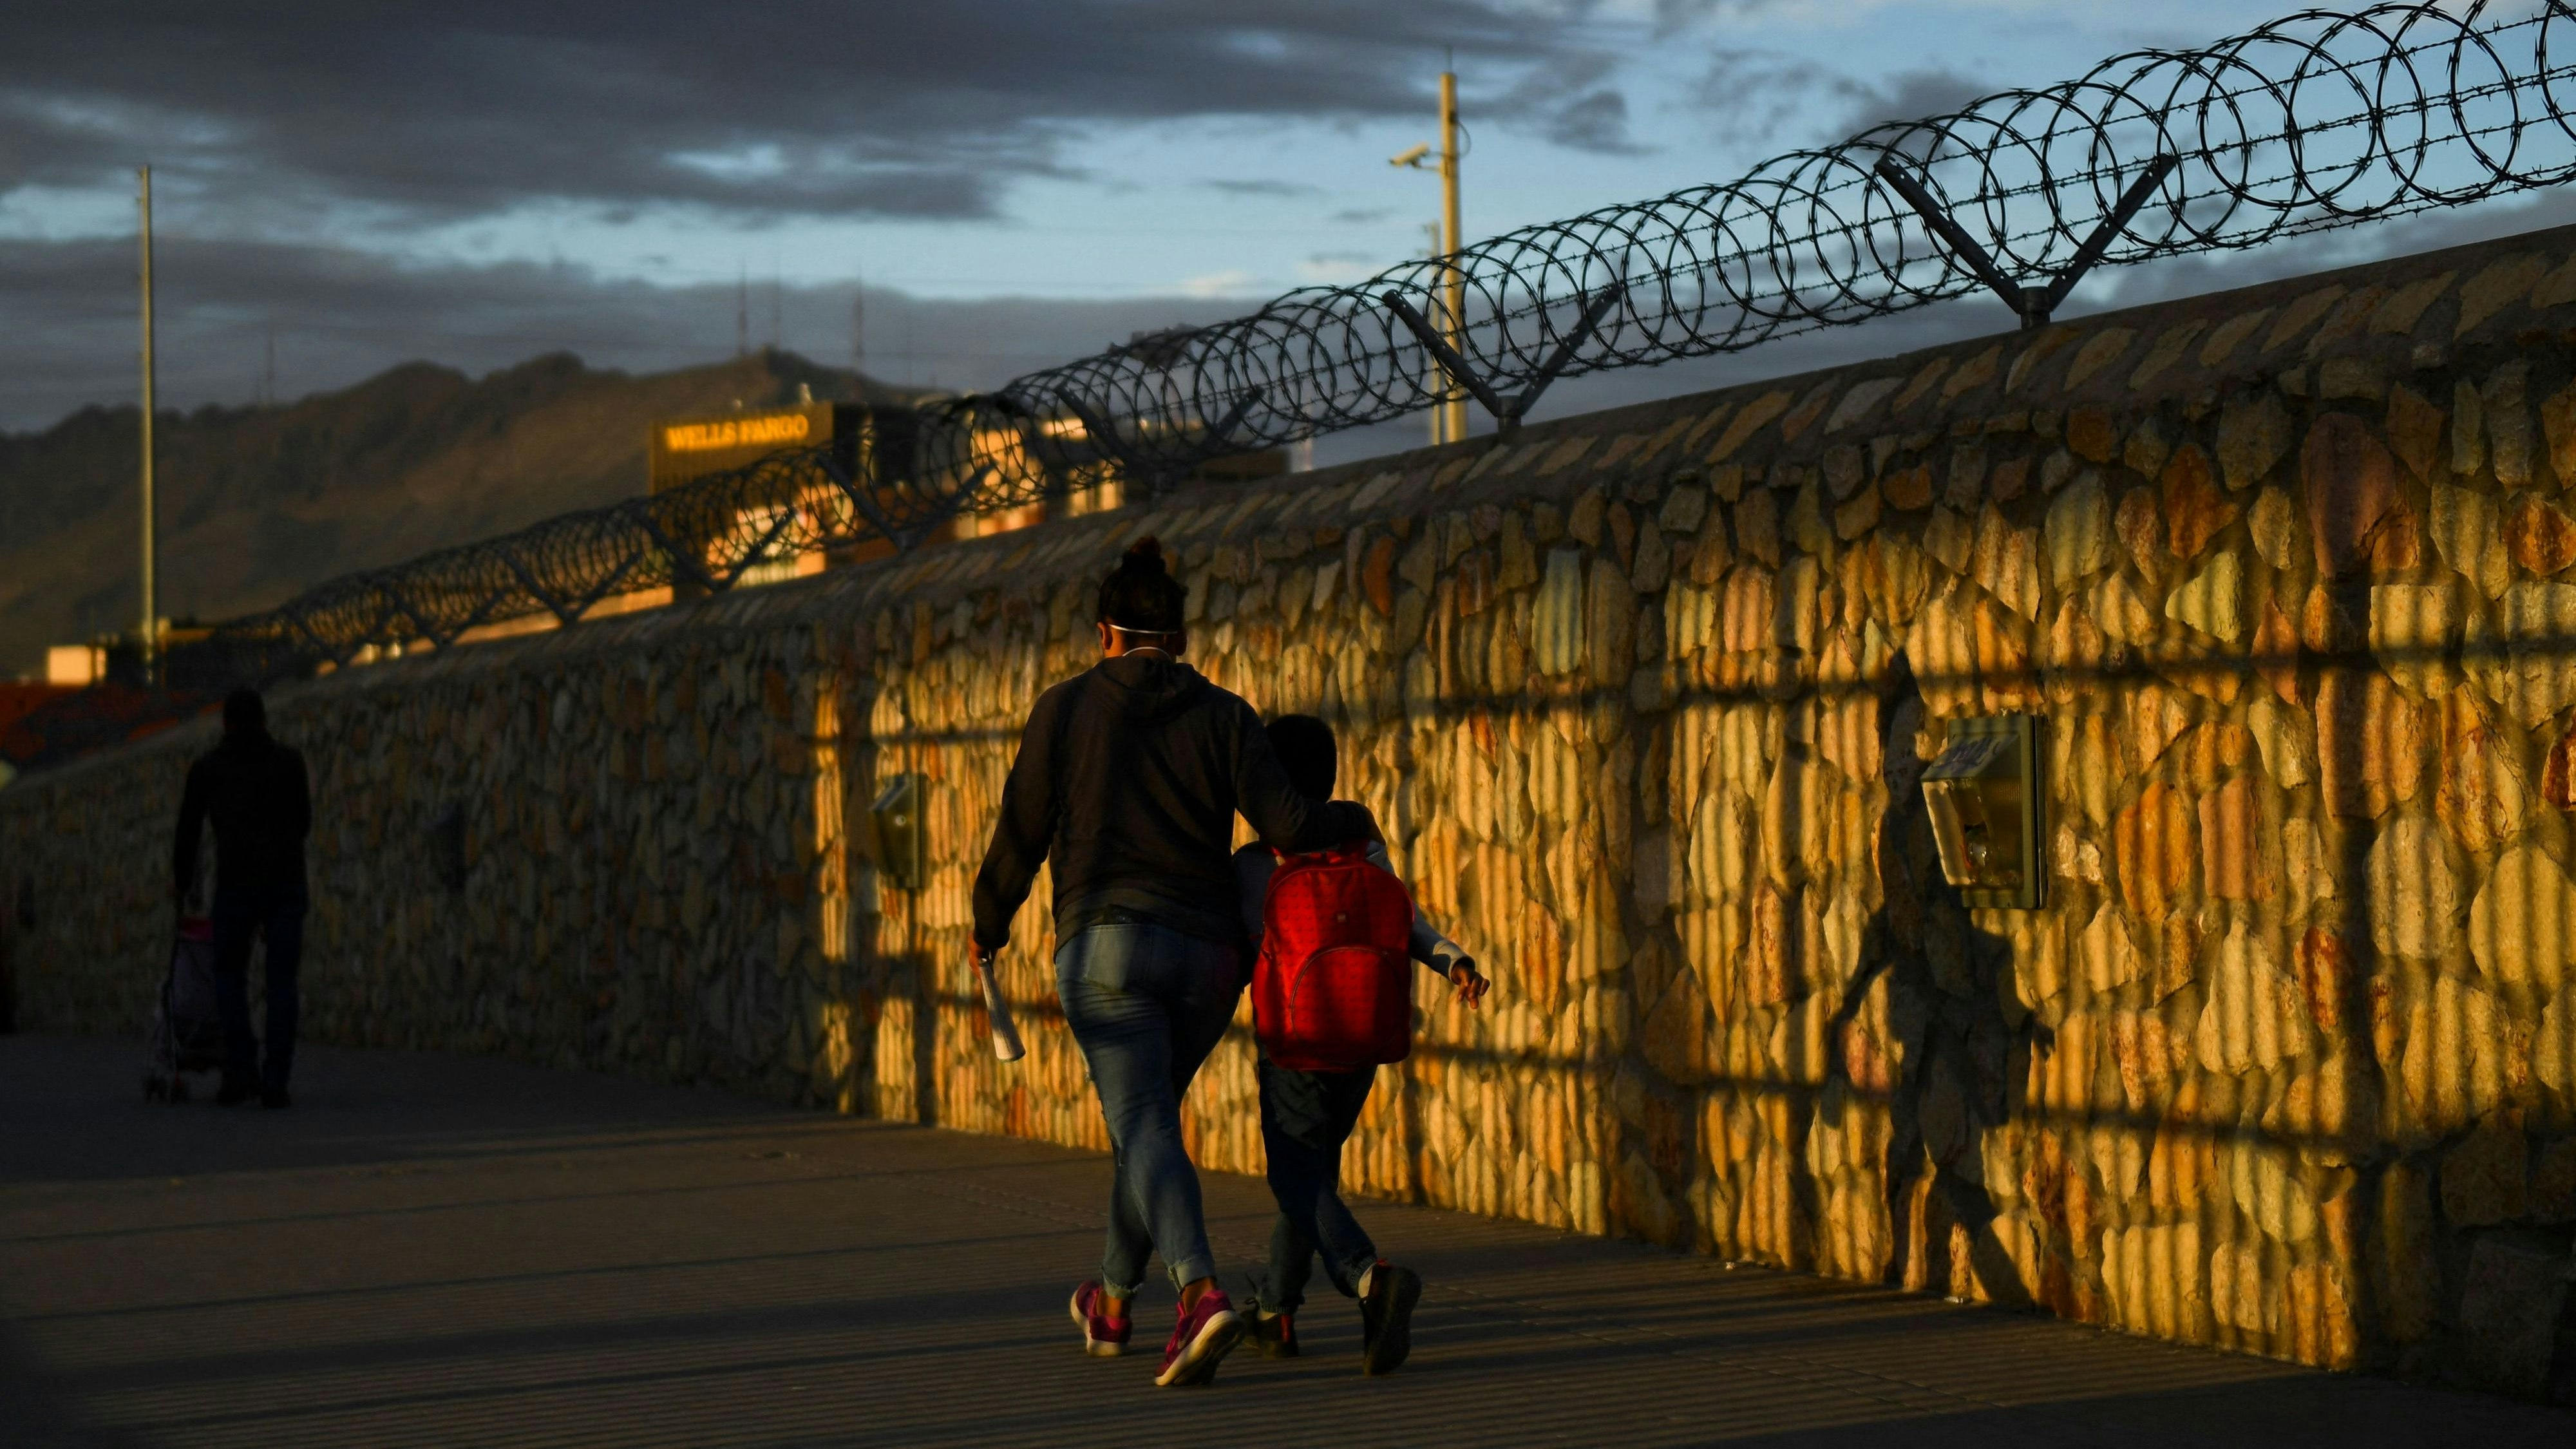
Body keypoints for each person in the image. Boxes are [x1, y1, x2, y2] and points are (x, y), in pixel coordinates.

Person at [971, 538, 1379, 1388]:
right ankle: (1113, 1301)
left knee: (1146, 1123)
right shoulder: (1227, 714)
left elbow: (1022, 833)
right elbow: (1294, 824)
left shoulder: (1066, 707)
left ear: (1104, 635)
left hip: (1107, 946)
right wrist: (1357, 814)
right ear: (1182, 639)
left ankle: (1197, 1294)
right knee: (1146, 1124)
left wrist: (988, 923)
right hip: (1205, 959)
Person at [1231, 714, 1490, 1375]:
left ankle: (1370, 1280)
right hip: (1362, 1037)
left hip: (1294, 1045)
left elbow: (1237, 952)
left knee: (1295, 1177)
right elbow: (1405, 919)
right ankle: (1275, 1311)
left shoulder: (1257, 865)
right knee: (1312, 1177)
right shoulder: (1361, 844)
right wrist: (1453, 960)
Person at [173, 688, 310, 1108]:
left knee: (230, 978)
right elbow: (303, 822)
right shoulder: (289, 763)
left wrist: (183, 886)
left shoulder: (210, 769)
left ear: (226, 724)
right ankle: (276, 1078)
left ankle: (241, 1069)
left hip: (236, 885)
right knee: (281, 982)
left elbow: (188, 834)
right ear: (265, 721)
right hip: (285, 883)